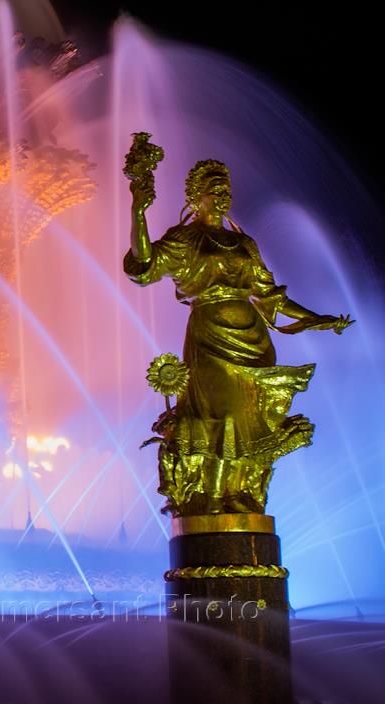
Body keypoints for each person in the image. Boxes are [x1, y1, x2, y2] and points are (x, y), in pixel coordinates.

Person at [125, 150, 352, 514]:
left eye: (226, 189)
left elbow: (271, 297)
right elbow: (144, 265)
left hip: (253, 336)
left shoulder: (245, 244)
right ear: (196, 196)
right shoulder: (185, 238)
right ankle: (213, 498)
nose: (223, 195)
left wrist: (317, 319)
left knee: (252, 415)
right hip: (210, 334)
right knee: (223, 414)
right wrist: (138, 211)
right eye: (215, 189)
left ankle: (241, 493)